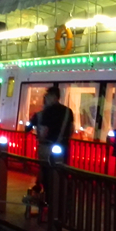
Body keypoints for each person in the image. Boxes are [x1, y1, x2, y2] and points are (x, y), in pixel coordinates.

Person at [29, 87, 73, 215]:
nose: (45, 99)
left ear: (53, 97)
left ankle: (50, 205)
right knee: (61, 176)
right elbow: (70, 130)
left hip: (46, 150)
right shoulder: (68, 112)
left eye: (47, 97)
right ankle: (62, 207)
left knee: (47, 177)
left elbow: (34, 128)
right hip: (63, 149)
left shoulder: (43, 114)